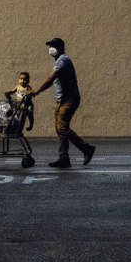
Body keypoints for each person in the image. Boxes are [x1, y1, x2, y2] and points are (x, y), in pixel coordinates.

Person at [27, 38, 96, 168]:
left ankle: (86, 148)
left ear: (60, 48)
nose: (50, 48)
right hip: (62, 100)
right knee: (60, 130)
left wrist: (36, 91)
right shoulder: (57, 61)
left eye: (53, 46)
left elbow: (51, 79)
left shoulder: (63, 60)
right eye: (50, 46)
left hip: (70, 99)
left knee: (62, 127)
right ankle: (64, 158)